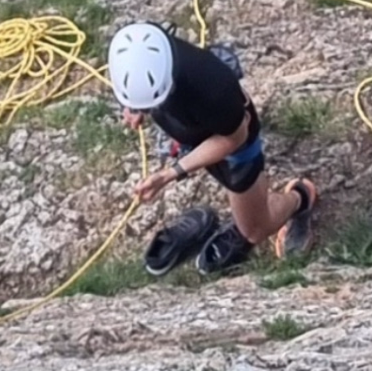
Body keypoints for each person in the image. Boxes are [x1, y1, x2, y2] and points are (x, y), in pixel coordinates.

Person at [108, 21, 318, 278]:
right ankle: (236, 219)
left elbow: (233, 139)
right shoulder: (140, 45)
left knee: (255, 230)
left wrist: (170, 174)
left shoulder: (214, 88)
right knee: (244, 210)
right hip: (193, 127)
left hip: (232, 142)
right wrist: (135, 105)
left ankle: (299, 197)